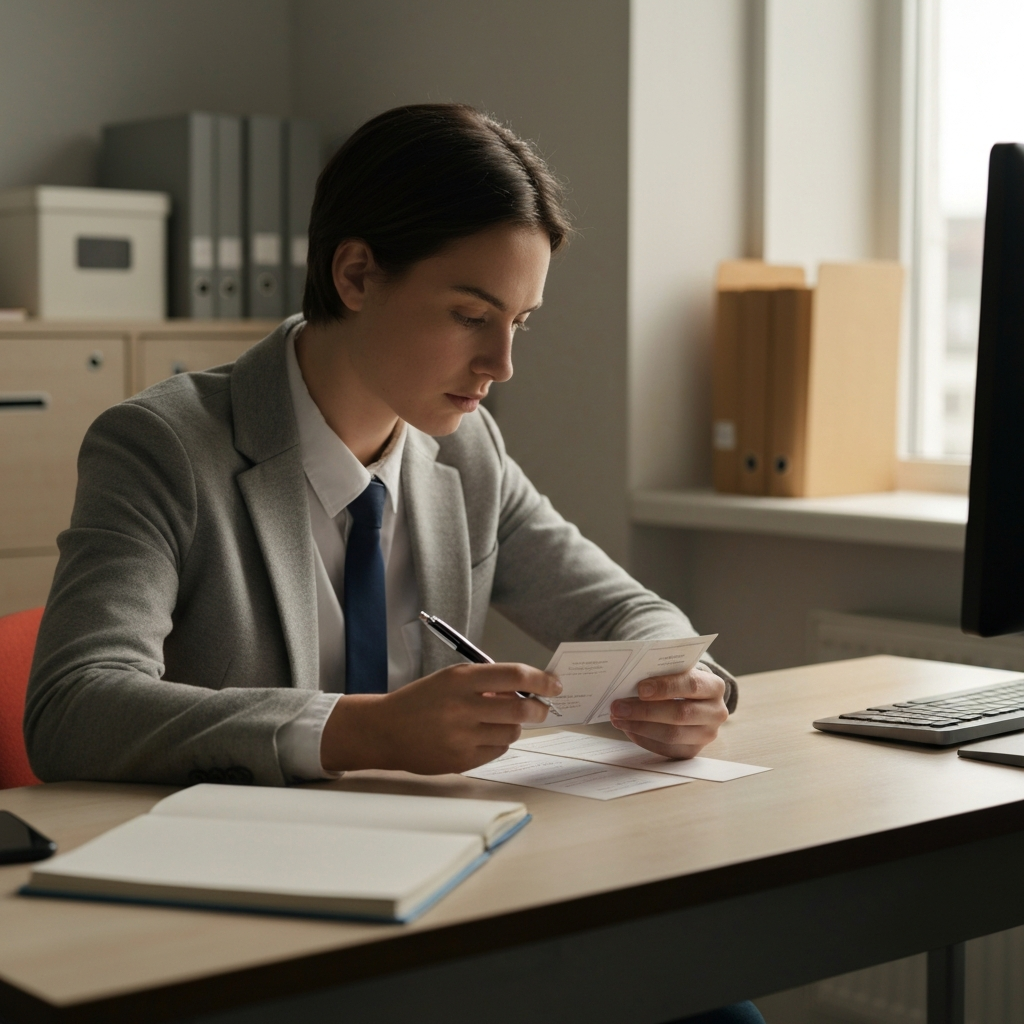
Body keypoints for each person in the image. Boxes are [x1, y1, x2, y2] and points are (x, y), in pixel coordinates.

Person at [25, 104, 761, 1024]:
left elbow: (624, 610)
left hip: (441, 885)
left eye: (520, 323)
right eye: (469, 315)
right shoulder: (165, 447)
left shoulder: (467, 452)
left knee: (709, 1006)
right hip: (247, 923)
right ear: (357, 273)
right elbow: (72, 707)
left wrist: (686, 684)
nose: (500, 362)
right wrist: (362, 732)